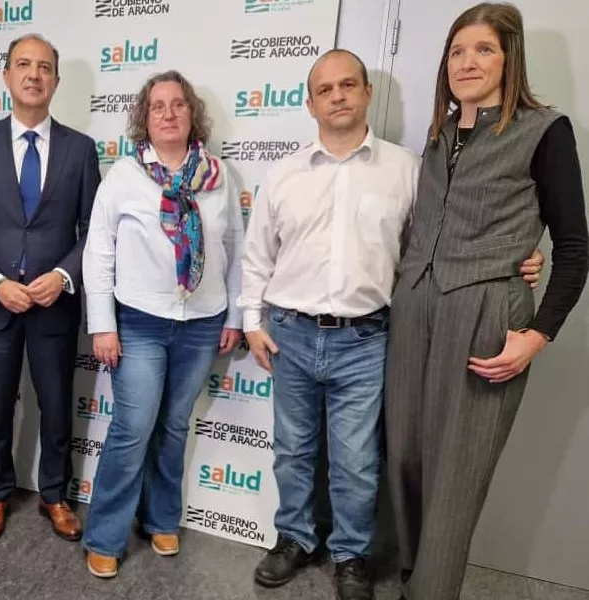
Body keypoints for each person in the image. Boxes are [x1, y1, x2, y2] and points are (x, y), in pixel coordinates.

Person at [237, 49, 544, 600]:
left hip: (366, 339)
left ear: (367, 93)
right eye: (325, 89)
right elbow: (258, 255)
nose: (337, 96)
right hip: (290, 335)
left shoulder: (407, 169)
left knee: (357, 461)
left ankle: (350, 555)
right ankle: (295, 538)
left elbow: (443, 241)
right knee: (292, 450)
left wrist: (518, 256)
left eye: (347, 85)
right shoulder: (283, 174)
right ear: (310, 104)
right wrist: (253, 321)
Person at [385, 4, 588, 600]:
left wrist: (538, 334)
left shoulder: (544, 130)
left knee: (457, 472)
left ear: (509, 58)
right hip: (414, 309)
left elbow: (574, 245)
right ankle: (409, 576)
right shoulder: (439, 135)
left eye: (484, 50)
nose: (467, 62)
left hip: (484, 316)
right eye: (457, 51)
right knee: (404, 459)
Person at [80, 70, 244, 578]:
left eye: (178, 104)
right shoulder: (124, 176)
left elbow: (235, 249)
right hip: (139, 322)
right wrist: (102, 324)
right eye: (158, 106)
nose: (169, 114)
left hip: (202, 322)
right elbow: (98, 251)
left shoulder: (218, 175)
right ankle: (105, 535)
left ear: (192, 113)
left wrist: (236, 314)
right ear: (144, 119)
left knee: (173, 425)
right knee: (133, 428)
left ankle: (161, 518)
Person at [0, 33, 100, 544]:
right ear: (6, 75)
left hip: (55, 306)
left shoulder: (80, 150)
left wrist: (63, 276)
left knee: (57, 406)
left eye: (44, 67)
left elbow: (93, 230)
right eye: (23, 64)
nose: (33, 74)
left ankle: (55, 494)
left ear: (55, 81)